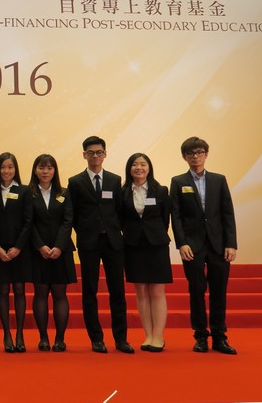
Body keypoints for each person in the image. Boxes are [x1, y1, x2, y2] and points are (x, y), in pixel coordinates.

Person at [170, 136, 238, 354]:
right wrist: (181, 243)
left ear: (206, 154)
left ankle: (220, 337)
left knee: (219, 291)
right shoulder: (178, 181)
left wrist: (231, 243)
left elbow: (228, 213)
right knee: (196, 291)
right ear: (184, 157)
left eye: (199, 152)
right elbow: (176, 216)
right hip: (192, 246)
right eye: (190, 153)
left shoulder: (219, 180)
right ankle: (200, 336)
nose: (195, 157)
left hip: (219, 245)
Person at [67, 136, 133, 353]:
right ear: (84, 155)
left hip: (113, 242)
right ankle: (96, 338)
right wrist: (84, 232)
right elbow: (73, 214)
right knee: (90, 291)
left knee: (118, 292)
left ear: (105, 154)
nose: (95, 156)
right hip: (89, 243)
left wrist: (116, 231)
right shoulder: (75, 182)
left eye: (99, 152)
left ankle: (121, 339)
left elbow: (120, 210)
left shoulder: (114, 180)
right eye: (91, 152)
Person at [121, 153, 172, 352]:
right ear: (129, 169)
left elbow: (165, 218)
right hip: (133, 245)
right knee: (140, 292)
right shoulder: (123, 191)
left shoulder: (160, 190)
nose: (139, 168)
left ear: (149, 168)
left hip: (156, 245)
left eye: (143, 164)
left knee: (157, 292)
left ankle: (159, 336)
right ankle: (148, 335)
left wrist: (154, 233)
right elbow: (121, 218)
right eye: (135, 164)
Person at [28, 153, 76, 352]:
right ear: (35, 170)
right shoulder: (27, 193)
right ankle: (43, 338)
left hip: (61, 250)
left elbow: (68, 221)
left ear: (54, 171)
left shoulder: (64, 192)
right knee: (40, 293)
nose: (45, 171)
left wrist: (58, 246)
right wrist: (40, 246)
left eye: (49, 168)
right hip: (36, 250)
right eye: (41, 167)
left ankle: (60, 338)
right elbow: (27, 222)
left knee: (59, 293)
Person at [0, 152, 32, 353]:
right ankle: (7, 334)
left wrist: (18, 247)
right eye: (3, 167)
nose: (7, 171)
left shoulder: (23, 191)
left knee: (20, 290)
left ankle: (20, 333)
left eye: (10, 167)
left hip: (20, 249)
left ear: (16, 169)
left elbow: (29, 221)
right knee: (3, 291)